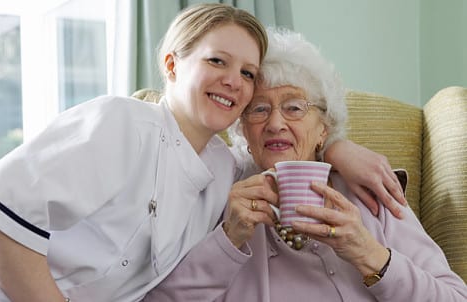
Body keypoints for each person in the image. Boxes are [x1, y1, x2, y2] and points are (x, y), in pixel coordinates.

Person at [0, 4, 403, 301]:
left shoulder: (222, 171)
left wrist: (337, 149)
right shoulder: (120, 122)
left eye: (247, 72)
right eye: (217, 61)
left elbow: (282, 147)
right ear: (173, 66)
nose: (234, 80)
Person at [142, 28, 467, 301]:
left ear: (323, 128)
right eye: (258, 110)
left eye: (294, 107)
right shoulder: (223, 194)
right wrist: (229, 239)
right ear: (242, 129)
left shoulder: (368, 193)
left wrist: (367, 252)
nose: (275, 124)